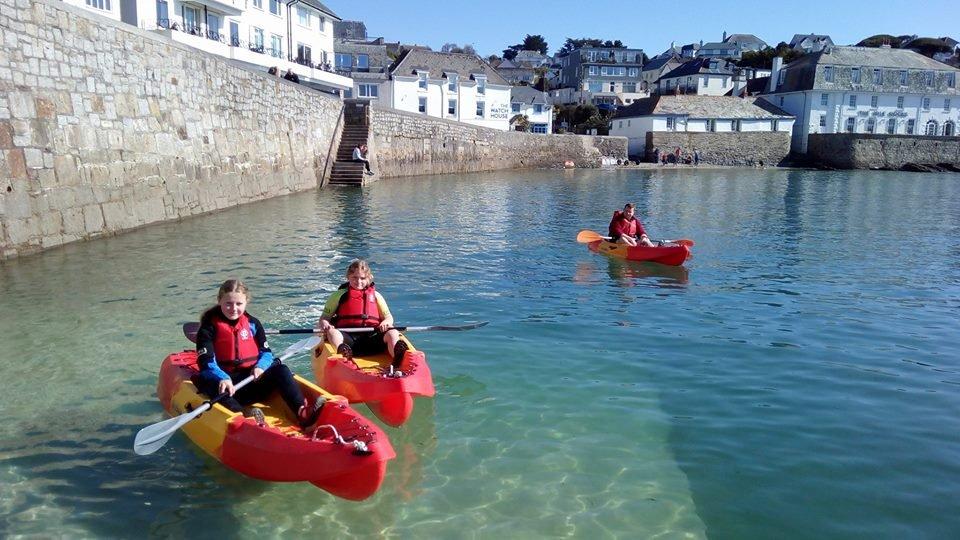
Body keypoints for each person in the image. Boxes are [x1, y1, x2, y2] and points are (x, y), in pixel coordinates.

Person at [195, 279, 324, 428]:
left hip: (250, 381)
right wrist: (223, 378)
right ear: (219, 301)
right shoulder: (208, 328)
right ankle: (245, 417)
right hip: (227, 387)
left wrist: (260, 367)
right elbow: (206, 362)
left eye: (239, 304)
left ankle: (302, 412)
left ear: (246, 302)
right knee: (211, 383)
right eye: (228, 304)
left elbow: (266, 353)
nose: (233, 308)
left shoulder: (253, 323)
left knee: (281, 369)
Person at [318, 259, 417, 376]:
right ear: (348, 277)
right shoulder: (338, 296)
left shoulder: (376, 296)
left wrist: (386, 322)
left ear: (369, 278)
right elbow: (324, 317)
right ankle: (344, 356)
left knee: (393, 333)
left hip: (372, 339)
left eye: (362, 278)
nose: (358, 281)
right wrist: (325, 324)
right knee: (333, 332)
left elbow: (389, 317)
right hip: (349, 341)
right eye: (354, 277)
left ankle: (397, 359)